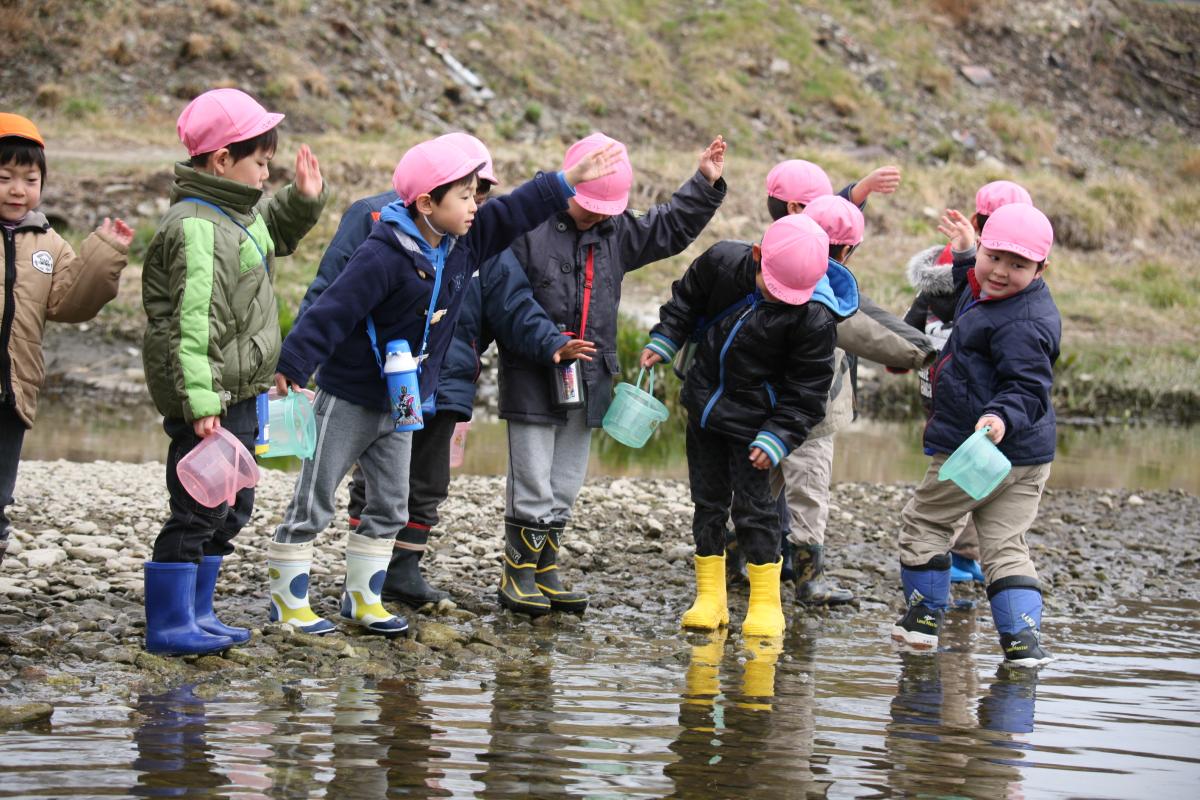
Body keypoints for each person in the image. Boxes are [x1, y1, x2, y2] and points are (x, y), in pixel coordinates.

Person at [268, 134, 617, 637]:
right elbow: (334, 307)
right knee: (316, 495)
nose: (476, 206)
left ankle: (363, 598)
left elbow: (514, 211)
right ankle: (288, 602)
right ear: (427, 203)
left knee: (391, 502)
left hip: (404, 400)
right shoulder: (382, 250)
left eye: (477, 194)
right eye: (465, 196)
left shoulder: (464, 245)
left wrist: (567, 181)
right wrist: (295, 361)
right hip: (350, 394)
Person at [495, 132, 727, 617]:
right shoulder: (524, 227)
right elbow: (509, 301)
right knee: (532, 477)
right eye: (591, 208)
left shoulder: (615, 231)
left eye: (608, 209)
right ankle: (517, 572)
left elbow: (666, 227)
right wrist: (552, 343)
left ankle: (544, 568)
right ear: (569, 188)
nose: (600, 216)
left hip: (590, 376)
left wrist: (703, 185)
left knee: (565, 480)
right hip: (534, 372)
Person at [140, 88, 327, 655]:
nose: (267, 175)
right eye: (261, 164)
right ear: (222, 160)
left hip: (241, 392)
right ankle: (170, 624)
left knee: (233, 504)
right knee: (197, 507)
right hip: (209, 400)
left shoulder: (231, 216)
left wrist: (302, 200)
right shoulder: (196, 227)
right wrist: (200, 402)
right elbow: (191, 327)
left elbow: (271, 232)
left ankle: (199, 610)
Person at [642, 213, 857, 637]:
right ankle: (710, 596)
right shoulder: (722, 262)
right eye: (775, 290)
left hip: (756, 425)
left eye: (791, 296)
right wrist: (665, 338)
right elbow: (685, 301)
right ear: (757, 256)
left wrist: (777, 436)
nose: (781, 301)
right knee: (708, 502)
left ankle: (764, 603)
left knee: (757, 510)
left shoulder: (814, 317)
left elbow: (807, 393)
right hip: (704, 407)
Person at [891, 203, 1059, 668]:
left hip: (979, 446)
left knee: (926, 523)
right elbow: (972, 290)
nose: (1001, 272)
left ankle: (922, 624)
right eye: (994, 257)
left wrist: (1000, 417)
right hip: (1029, 454)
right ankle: (1023, 645)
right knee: (1005, 545)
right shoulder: (992, 292)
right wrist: (966, 256)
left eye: (1018, 264)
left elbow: (1027, 385)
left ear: (1041, 268)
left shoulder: (1024, 323)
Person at [774, 195, 935, 606]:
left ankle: (740, 564)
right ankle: (809, 581)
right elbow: (871, 329)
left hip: (763, 407)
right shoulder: (831, 291)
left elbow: (877, 320)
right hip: (813, 416)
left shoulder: (774, 265)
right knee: (808, 494)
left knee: (758, 487)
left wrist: (921, 347)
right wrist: (927, 355)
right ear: (848, 251)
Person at [0, 113, 132, 570]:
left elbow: (73, 303)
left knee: (0, 499)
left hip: (14, 393)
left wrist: (105, 255)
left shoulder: (50, 244)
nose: (18, 189)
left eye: (30, 179)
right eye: (5, 178)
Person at [903, 180, 1033, 585]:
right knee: (980, 469)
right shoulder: (1014, 277)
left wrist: (901, 359)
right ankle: (960, 556)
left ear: (976, 218)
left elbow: (913, 319)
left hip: (940, 385)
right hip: (985, 396)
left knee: (955, 469)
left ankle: (946, 557)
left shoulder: (949, 266)